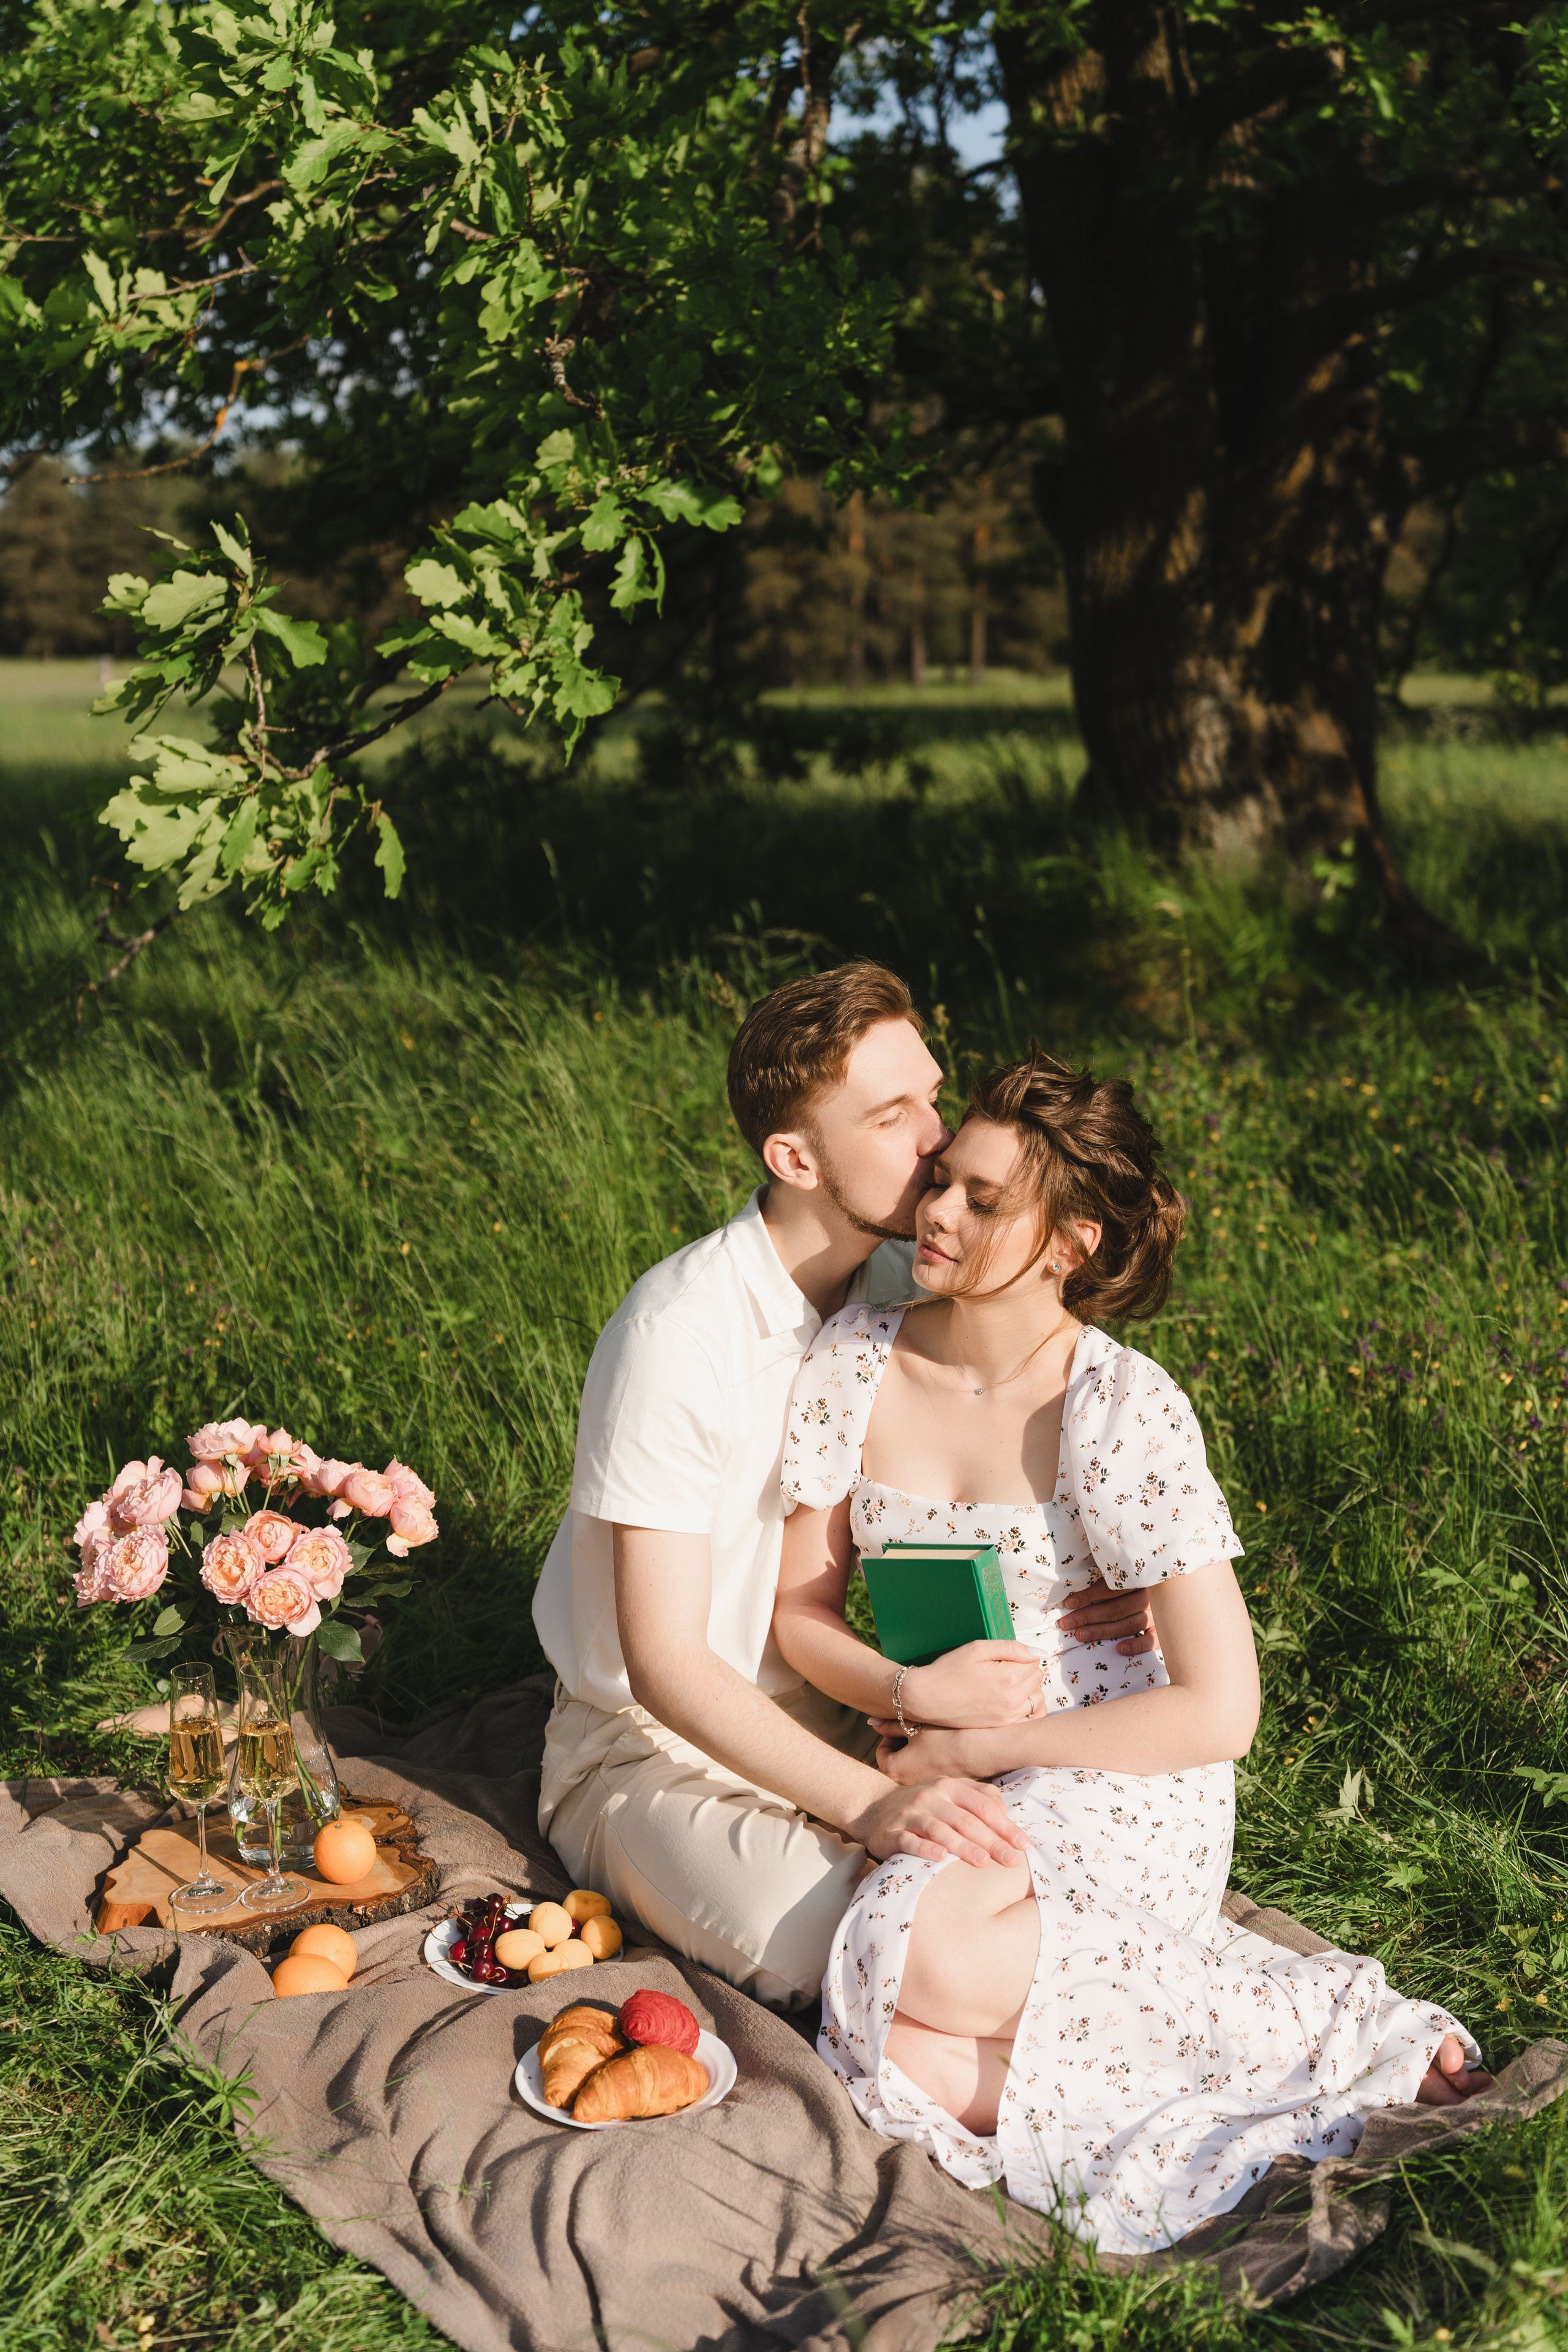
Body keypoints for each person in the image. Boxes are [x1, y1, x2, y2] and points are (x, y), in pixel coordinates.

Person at [774, 1050, 1492, 2253]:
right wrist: (904, 1701)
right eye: (942, 1180)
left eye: (983, 1201)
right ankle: (1199, 2102)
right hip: (950, 1753)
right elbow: (797, 1617)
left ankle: (1312, 2019)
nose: (935, 1214)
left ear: (1073, 1241)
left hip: (1116, 1769)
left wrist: (987, 1739)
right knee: (888, 2028)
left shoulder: (1117, 1410)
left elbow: (1217, 1712)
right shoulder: (855, 1357)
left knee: (924, 1962)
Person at [532, 962, 1156, 2009]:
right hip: (643, 1751)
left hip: (836, 1705)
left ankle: (1215, 2009)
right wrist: (873, 1806)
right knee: (876, 1951)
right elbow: (665, 1662)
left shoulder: (898, 1289)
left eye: (932, 1096)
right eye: (893, 1115)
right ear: (794, 1157)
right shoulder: (677, 1333)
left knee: (1049, 1875)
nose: (938, 1138)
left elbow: (1010, 1442)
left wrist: (1100, 1574)